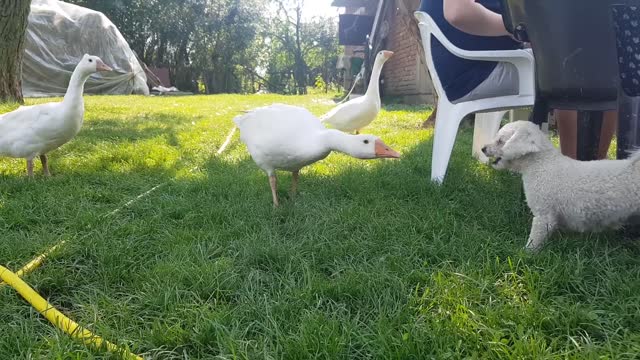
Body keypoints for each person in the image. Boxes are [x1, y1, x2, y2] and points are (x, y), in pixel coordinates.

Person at [420, 0, 616, 160]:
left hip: (470, 67)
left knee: (576, 56)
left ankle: (586, 164)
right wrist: (519, 29)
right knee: (569, 62)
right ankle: (576, 167)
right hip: (472, 71)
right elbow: (458, 12)